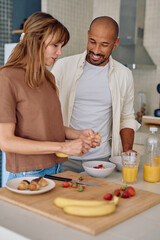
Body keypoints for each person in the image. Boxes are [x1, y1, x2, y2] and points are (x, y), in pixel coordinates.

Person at [0, 12, 101, 181]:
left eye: (61, 46)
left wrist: (78, 134)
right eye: (55, 45)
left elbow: (45, 127)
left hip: (56, 168)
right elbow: (5, 141)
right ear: (36, 42)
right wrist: (64, 146)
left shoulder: (48, 78)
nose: (60, 52)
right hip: (28, 175)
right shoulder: (7, 78)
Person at [51, 16, 140, 173]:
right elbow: (48, 110)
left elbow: (126, 118)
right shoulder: (63, 66)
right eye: (92, 41)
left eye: (104, 45)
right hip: (64, 157)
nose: (96, 50)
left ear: (115, 43)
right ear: (88, 35)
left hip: (102, 160)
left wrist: (127, 152)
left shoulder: (124, 75)